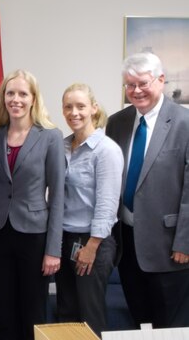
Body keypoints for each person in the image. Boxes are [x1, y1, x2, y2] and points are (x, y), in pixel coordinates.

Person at [0, 69, 65, 340]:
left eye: (23, 93)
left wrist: (53, 250)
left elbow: (58, 196)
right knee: (5, 308)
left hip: (34, 236)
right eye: (10, 93)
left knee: (33, 308)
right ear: (3, 98)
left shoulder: (51, 136)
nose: (16, 99)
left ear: (33, 99)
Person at [106, 52, 189, 328]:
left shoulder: (183, 123)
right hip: (126, 244)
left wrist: (184, 242)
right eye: (130, 85)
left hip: (170, 248)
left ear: (161, 80)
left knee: (170, 329)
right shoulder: (116, 122)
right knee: (139, 325)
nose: (136, 91)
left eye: (143, 83)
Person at [56, 83, 123, 335]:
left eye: (81, 106)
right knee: (66, 311)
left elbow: (107, 204)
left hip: (93, 242)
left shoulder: (106, 150)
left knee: (90, 315)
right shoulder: (61, 146)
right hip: (64, 239)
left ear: (94, 109)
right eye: (68, 107)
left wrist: (91, 247)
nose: (74, 112)